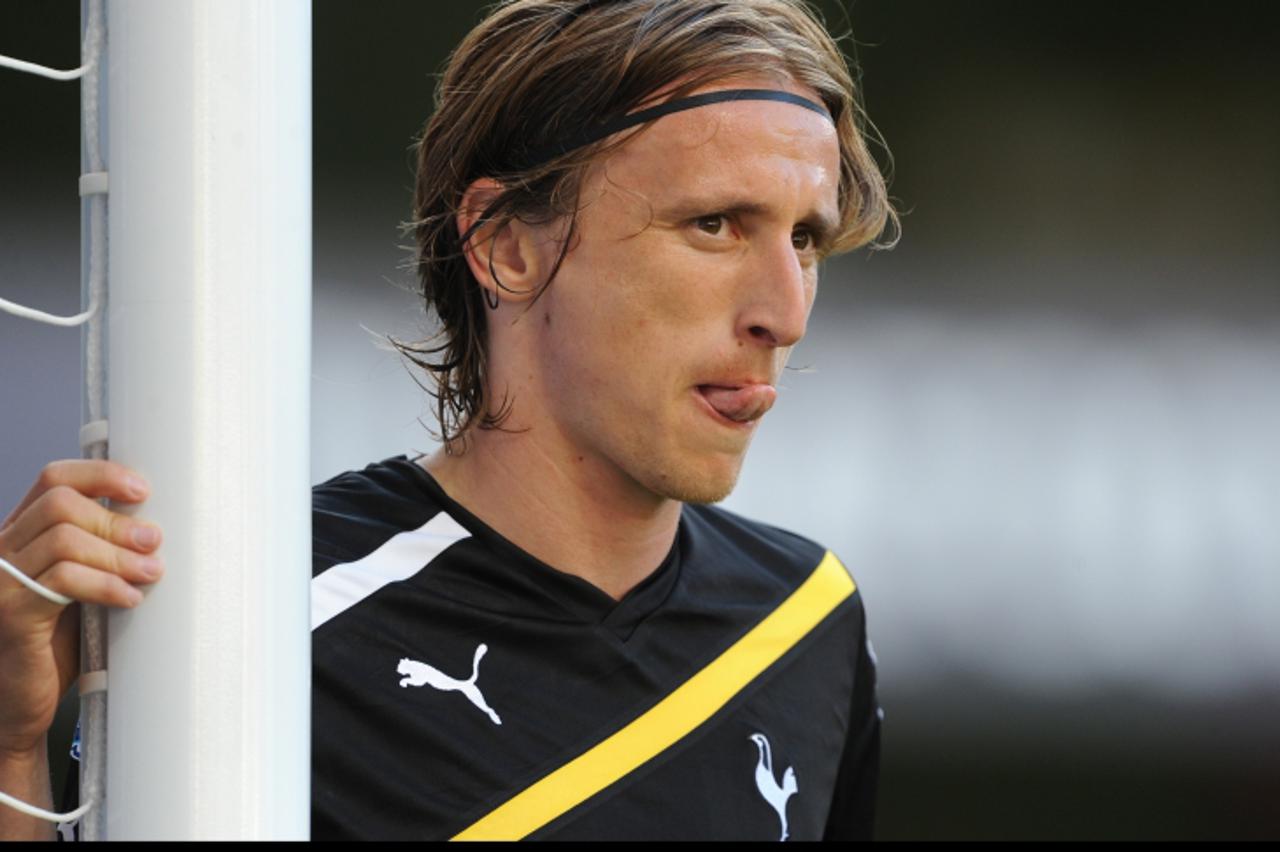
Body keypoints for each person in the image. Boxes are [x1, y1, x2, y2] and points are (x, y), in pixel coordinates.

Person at [0, 0, 895, 840]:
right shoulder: (259, 611)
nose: (786, 309)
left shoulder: (810, 619)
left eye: (804, 239)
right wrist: (9, 744)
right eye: (714, 224)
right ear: (506, 247)